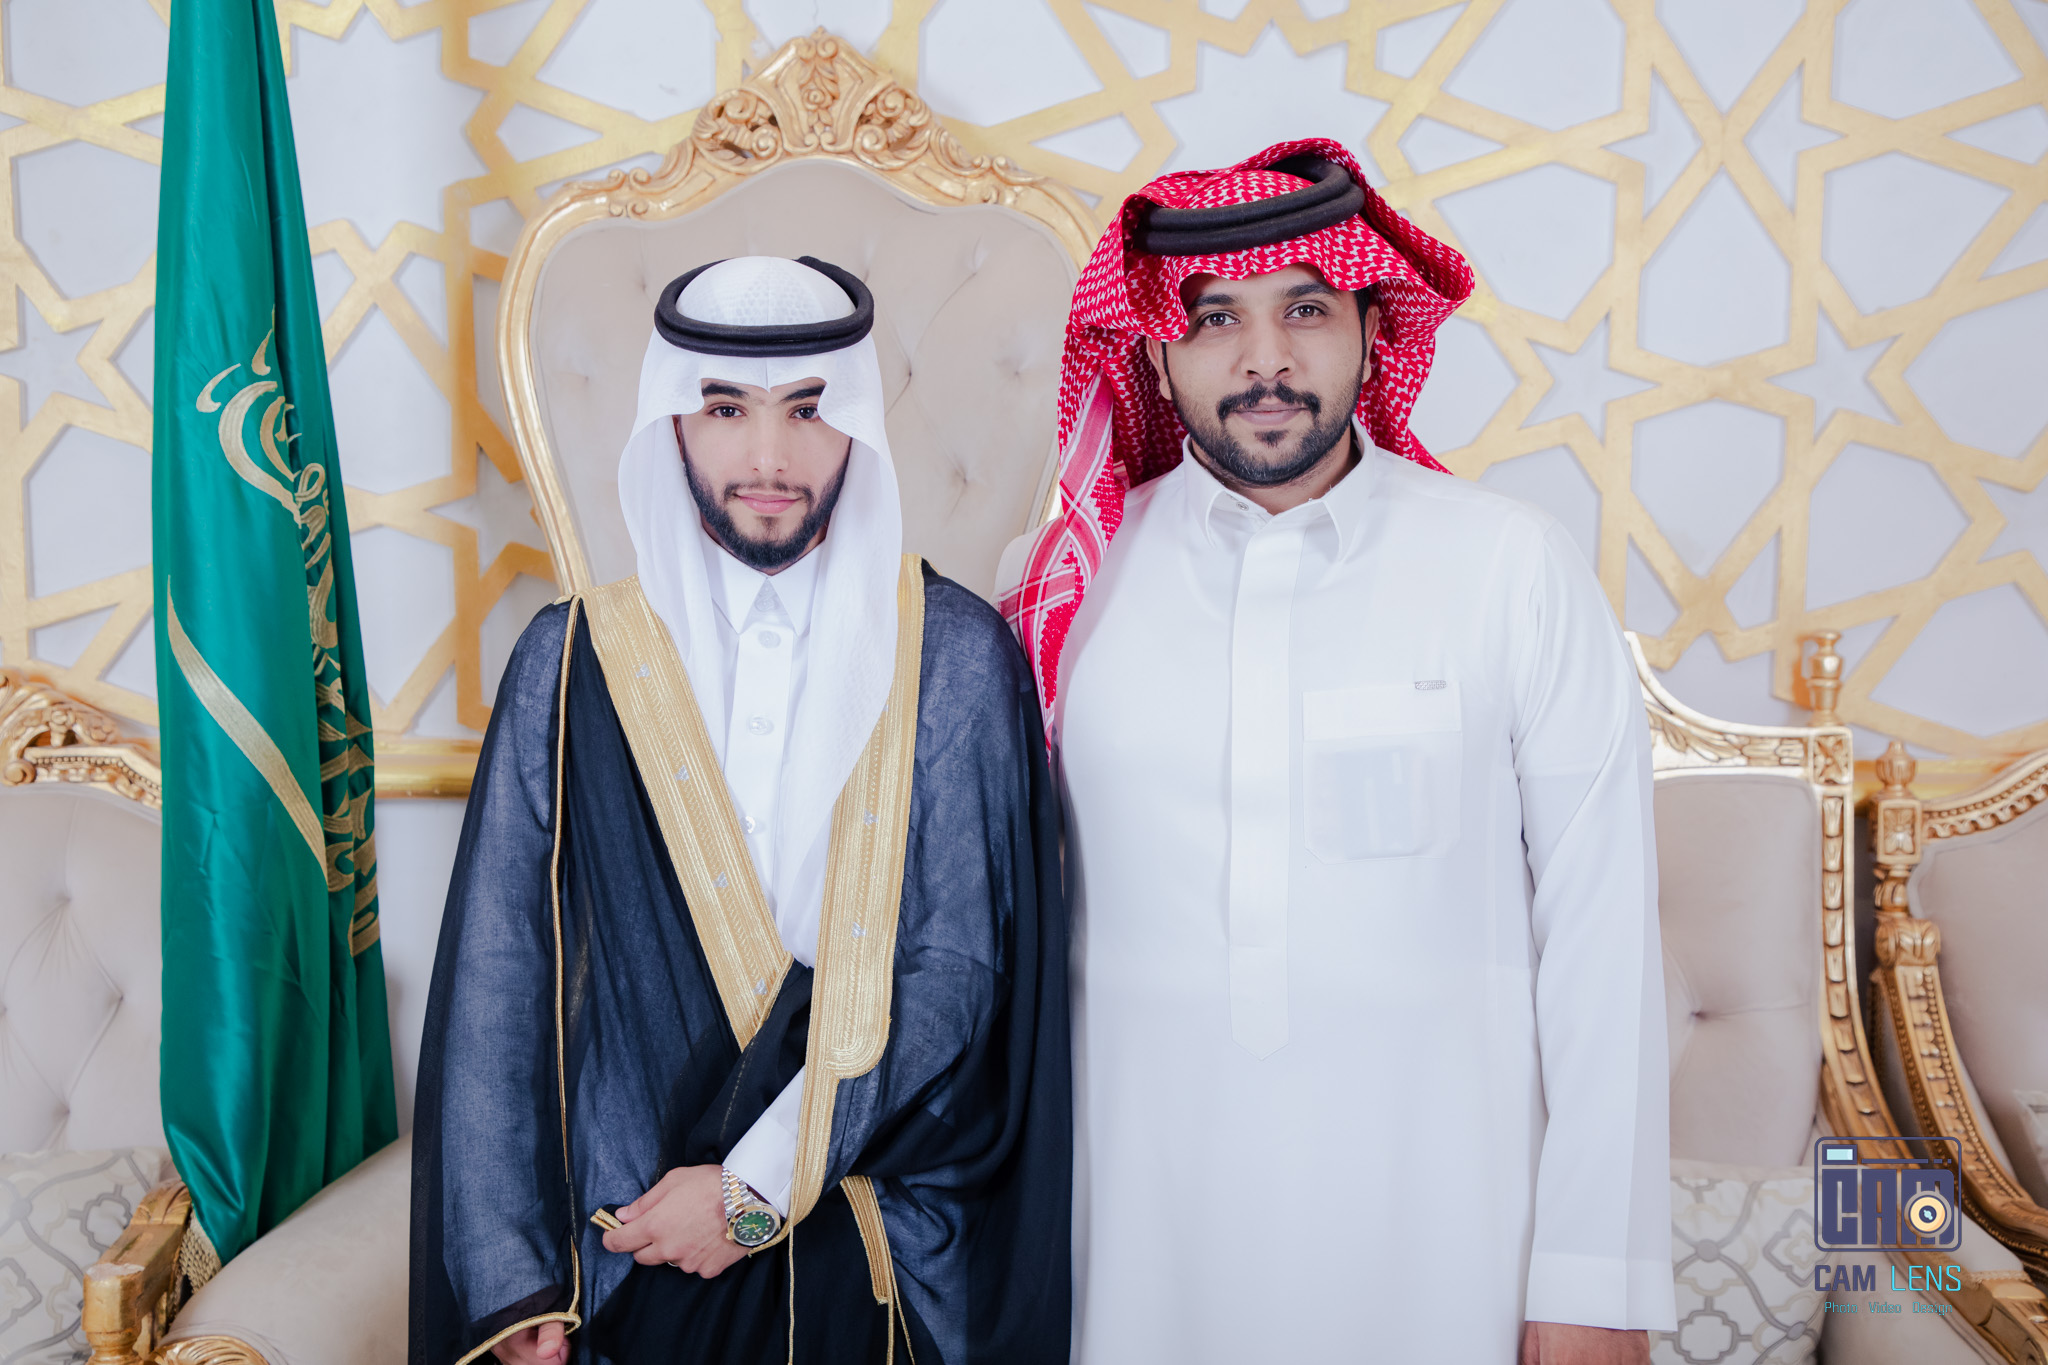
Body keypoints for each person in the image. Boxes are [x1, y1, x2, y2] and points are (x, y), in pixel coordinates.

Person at [999, 140, 1674, 1363]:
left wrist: (1596, 1282)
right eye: (1215, 319)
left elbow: (1600, 945)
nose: (1264, 359)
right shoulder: (1062, 590)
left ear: (1371, 328)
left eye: (1304, 310)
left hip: (1451, 1242)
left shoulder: (1507, 566)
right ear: (1150, 349)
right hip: (1138, 1242)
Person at [411, 255, 1069, 1365]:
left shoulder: (955, 656)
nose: (768, 458)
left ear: (857, 424)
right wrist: (511, 1280)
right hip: (618, 1248)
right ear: (671, 423)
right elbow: (500, 977)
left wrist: (756, 1187)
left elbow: (956, 973)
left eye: (808, 411)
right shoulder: (568, 662)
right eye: (726, 410)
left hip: (869, 1226)